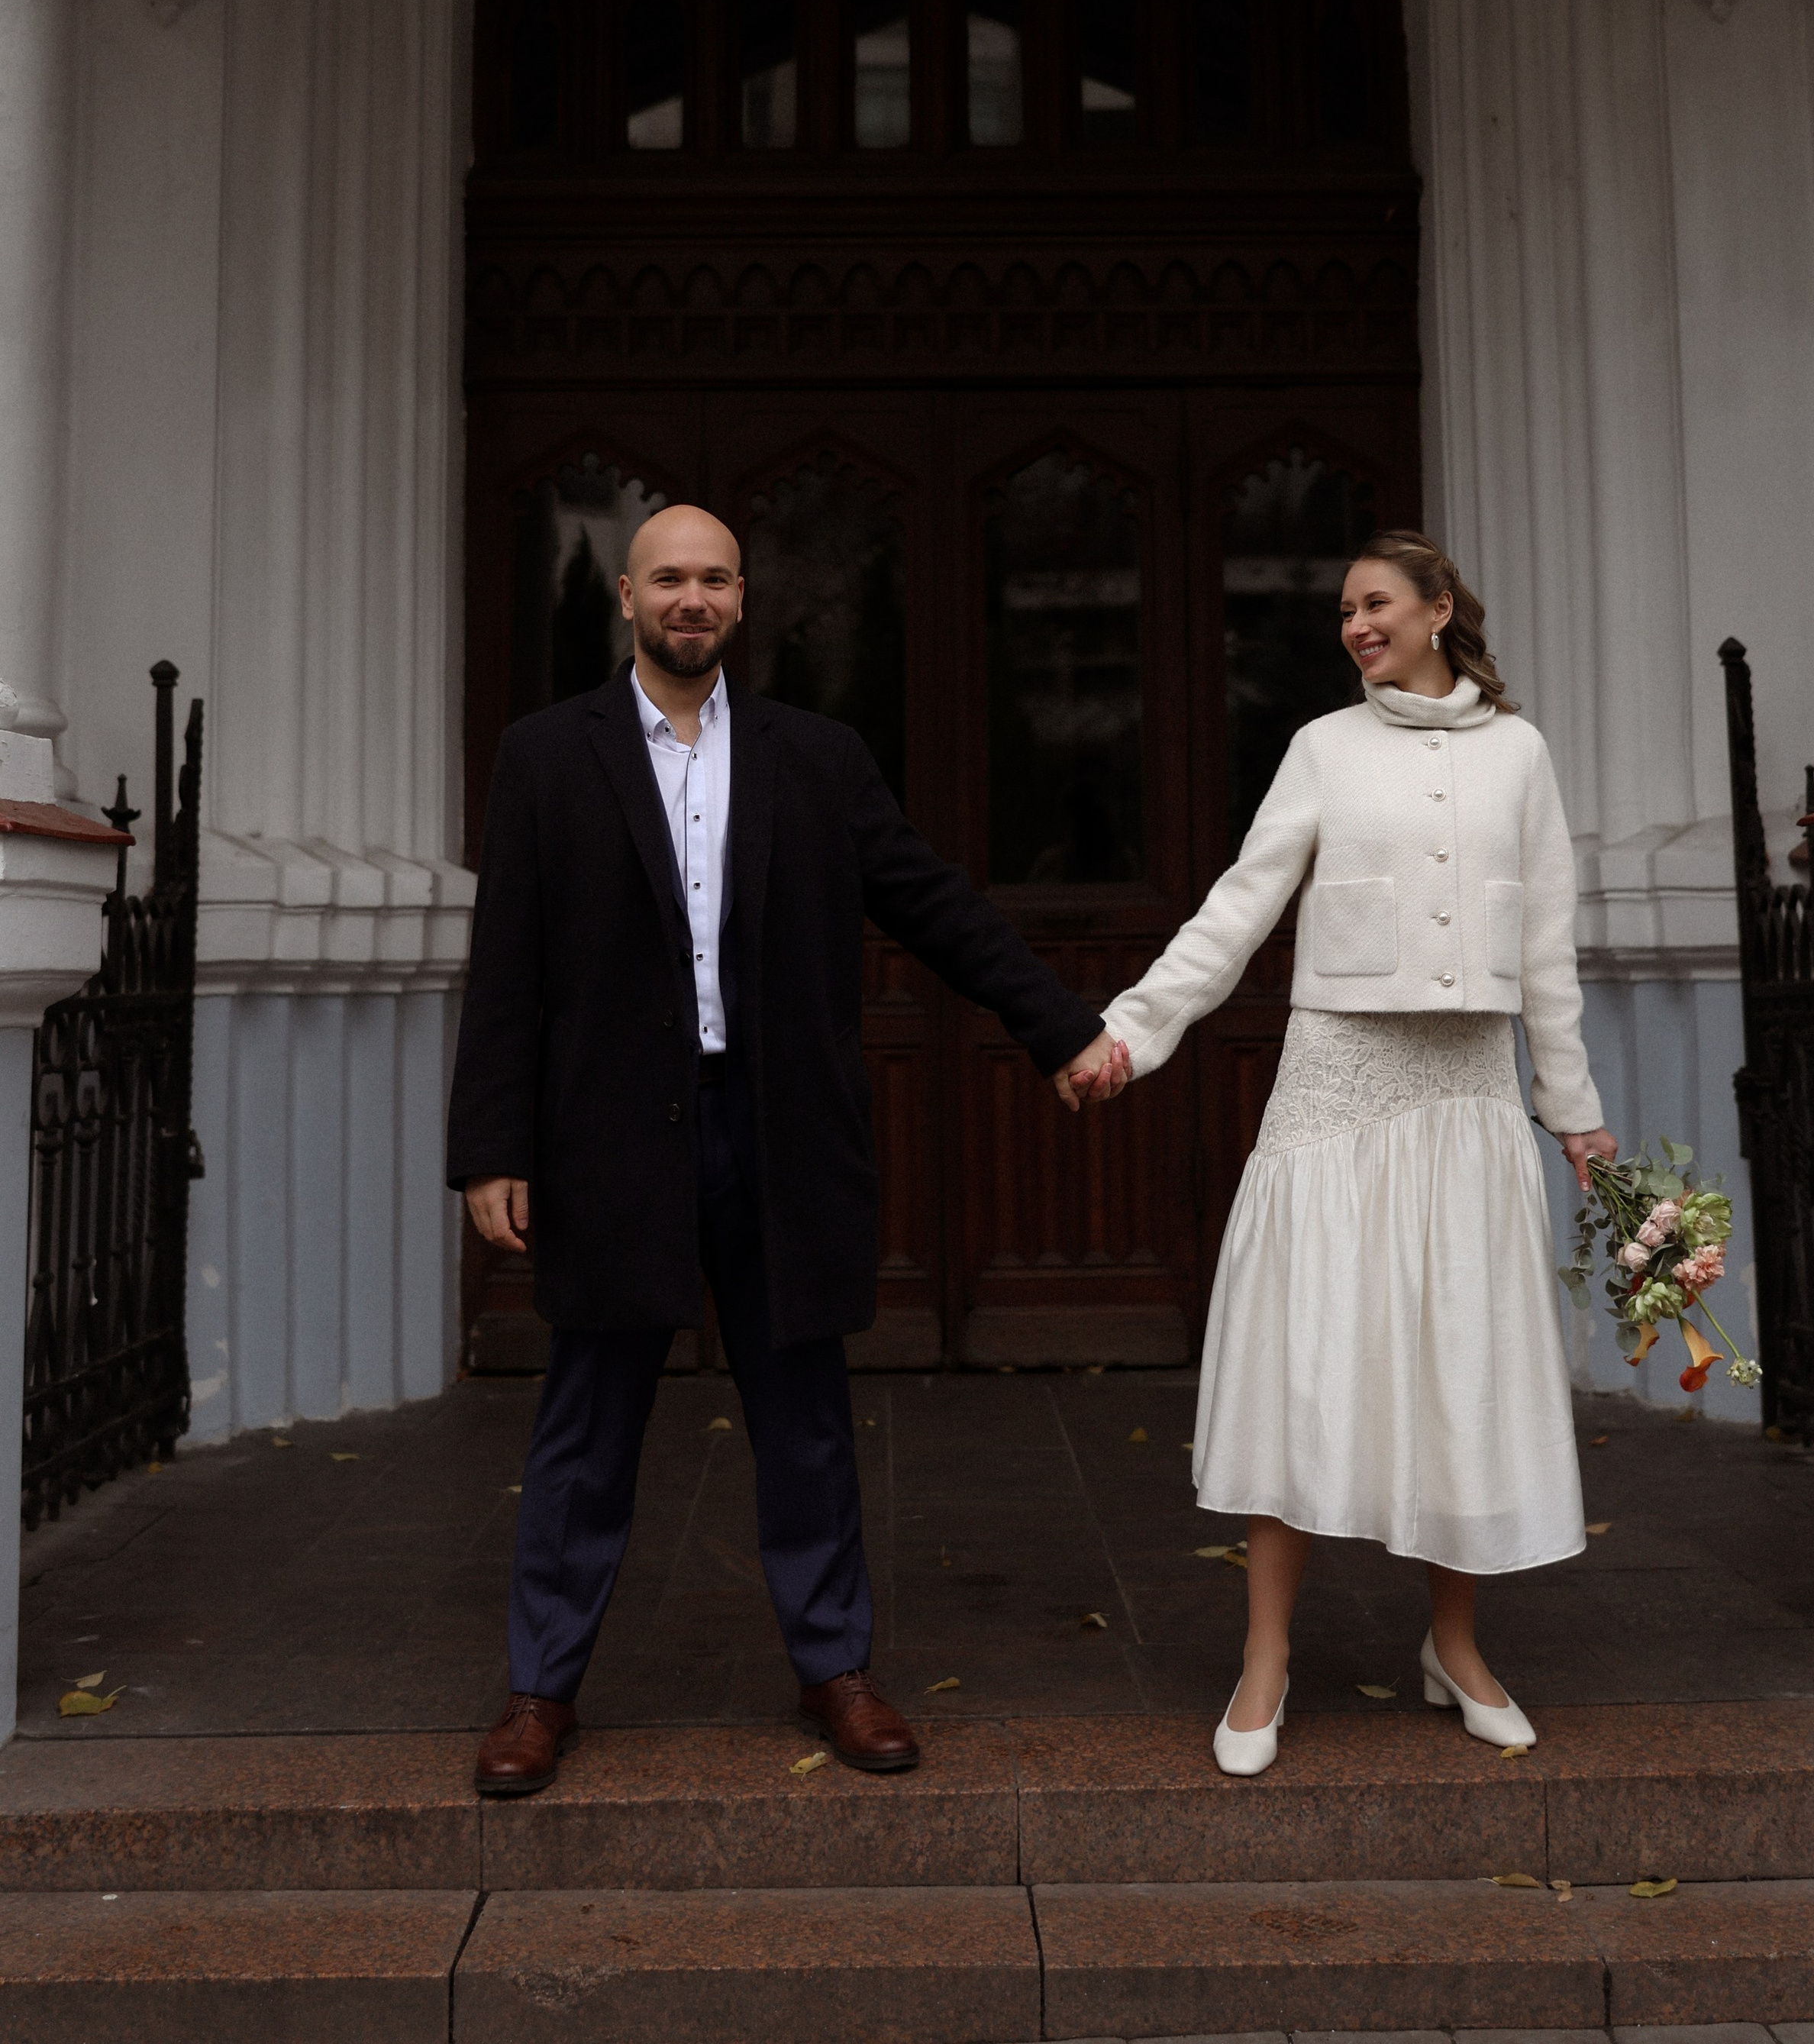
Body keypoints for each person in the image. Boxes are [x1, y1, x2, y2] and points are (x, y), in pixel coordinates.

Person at [449, 503, 1125, 1794]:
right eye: (667, 579)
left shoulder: (818, 758)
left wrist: (1057, 1026)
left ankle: (835, 1668)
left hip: (779, 1137)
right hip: (607, 1146)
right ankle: (541, 1690)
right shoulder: (545, 756)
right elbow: (509, 970)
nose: (689, 599)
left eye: (712, 579)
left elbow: (930, 899)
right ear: (629, 599)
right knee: (585, 1430)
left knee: (806, 1422)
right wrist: (492, 1149)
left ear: (743, 600)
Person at [1073, 530, 1613, 1774]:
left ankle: (1456, 1648)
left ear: (1437, 610)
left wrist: (1574, 1113)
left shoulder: (1522, 755)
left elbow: (1548, 949)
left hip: (1469, 1090)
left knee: (1462, 1359)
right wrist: (1129, 1031)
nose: (1355, 624)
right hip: (1338, 1081)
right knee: (1302, 1358)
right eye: (1344, 610)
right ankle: (1264, 1658)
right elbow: (1240, 903)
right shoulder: (1323, 746)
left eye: (1375, 603)